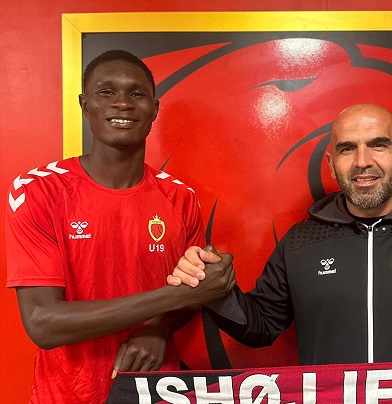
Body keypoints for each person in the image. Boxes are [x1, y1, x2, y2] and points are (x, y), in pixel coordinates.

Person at [169, 103, 392, 403]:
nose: (362, 161)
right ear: (331, 164)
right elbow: (261, 326)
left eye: (378, 145)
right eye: (347, 148)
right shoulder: (301, 242)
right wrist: (214, 289)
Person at [5, 50, 235, 404]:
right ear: (85, 105)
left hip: (156, 391)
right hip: (66, 394)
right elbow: (43, 323)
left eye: (137, 93)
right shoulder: (38, 191)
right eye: (107, 92)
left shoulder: (180, 198)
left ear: (154, 109)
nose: (123, 103)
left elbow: (192, 290)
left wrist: (159, 328)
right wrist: (181, 296)